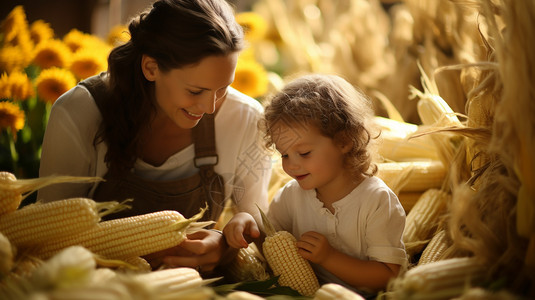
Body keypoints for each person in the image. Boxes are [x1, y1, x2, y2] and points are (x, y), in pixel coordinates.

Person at [37, 0, 271, 274]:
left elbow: (257, 217)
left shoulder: (245, 118)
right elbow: (48, 238)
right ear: (151, 68)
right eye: (196, 91)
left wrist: (225, 248)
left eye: (223, 88)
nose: (210, 108)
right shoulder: (78, 113)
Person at [224, 74, 407, 297]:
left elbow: (389, 274)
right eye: (284, 155)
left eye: (304, 153)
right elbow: (270, 240)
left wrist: (329, 258)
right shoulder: (292, 195)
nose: (292, 165)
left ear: (344, 141)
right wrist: (248, 224)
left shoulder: (376, 200)